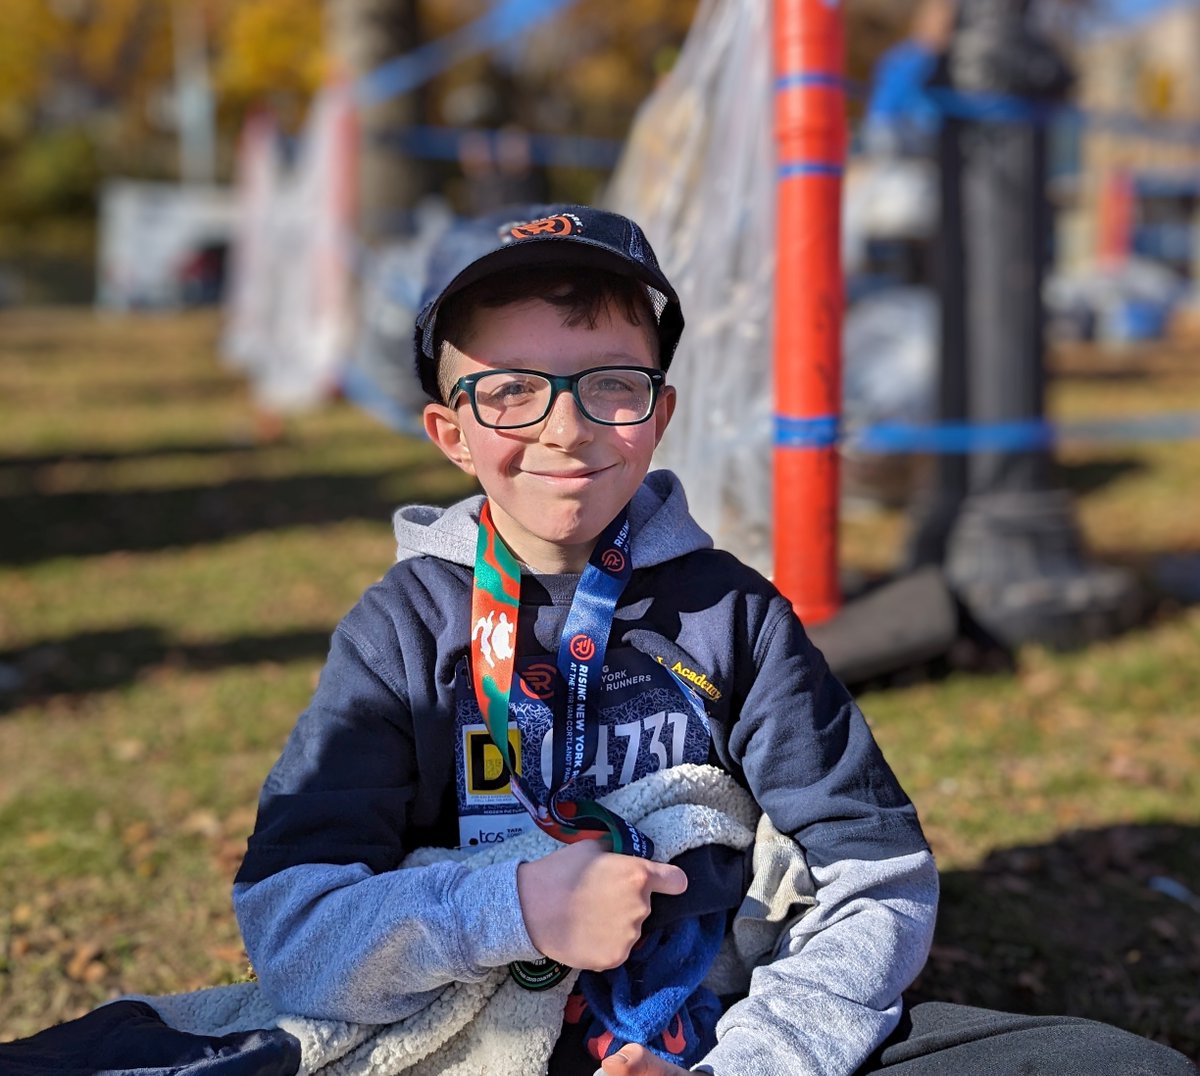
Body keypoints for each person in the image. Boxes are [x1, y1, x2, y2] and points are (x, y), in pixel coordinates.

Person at [232, 205, 1196, 1076]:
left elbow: (878, 873)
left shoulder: (736, 615)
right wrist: (517, 908)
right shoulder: (398, 631)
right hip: (455, 1046)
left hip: (720, 1036)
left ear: (660, 414)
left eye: (611, 385)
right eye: (512, 391)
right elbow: (292, 930)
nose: (566, 429)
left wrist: (751, 1066)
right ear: (452, 432)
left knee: (1121, 1066)